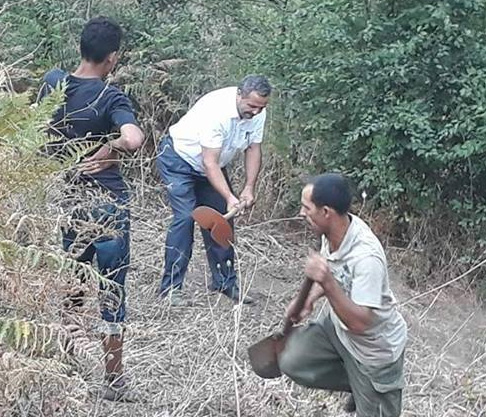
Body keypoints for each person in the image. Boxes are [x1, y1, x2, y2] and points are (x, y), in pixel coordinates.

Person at [36, 16, 144, 401]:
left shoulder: (52, 84)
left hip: (70, 201)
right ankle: (113, 380)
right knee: (112, 290)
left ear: (81, 47)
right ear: (112, 57)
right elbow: (133, 138)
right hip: (109, 205)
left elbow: (40, 135)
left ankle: (65, 364)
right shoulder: (111, 97)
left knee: (74, 285)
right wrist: (108, 149)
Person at [278, 173, 408, 416]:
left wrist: (326, 283)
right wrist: (308, 299)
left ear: (326, 212)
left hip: (373, 352)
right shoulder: (335, 231)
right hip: (339, 332)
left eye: (307, 208)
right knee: (292, 360)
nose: (301, 213)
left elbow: (360, 323)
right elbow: (335, 272)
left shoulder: (367, 258)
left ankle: (365, 388)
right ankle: (355, 384)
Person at [156, 75, 272, 305]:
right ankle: (170, 290)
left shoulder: (258, 111)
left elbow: (253, 148)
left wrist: (249, 188)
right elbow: (209, 162)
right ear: (239, 94)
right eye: (251, 106)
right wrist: (230, 196)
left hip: (211, 167)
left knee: (220, 220)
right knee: (186, 218)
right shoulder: (216, 112)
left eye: (261, 107)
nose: (256, 112)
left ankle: (225, 283)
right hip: (179, 160)